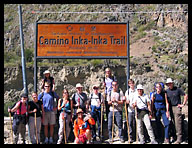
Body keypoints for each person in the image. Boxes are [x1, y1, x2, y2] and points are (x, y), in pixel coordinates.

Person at [165, 78, 188, 144]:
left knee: (178, 124)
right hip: (170, 108)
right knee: (173, 123)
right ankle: (175, 137)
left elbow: (185, 95)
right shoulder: (167, 91)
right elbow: (166, 101)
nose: (170, 85)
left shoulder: (177, 89)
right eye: (168, 84)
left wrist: (183, 104)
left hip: (177, 107)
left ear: (172, 83)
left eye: (170, 83)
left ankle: (179, 139)